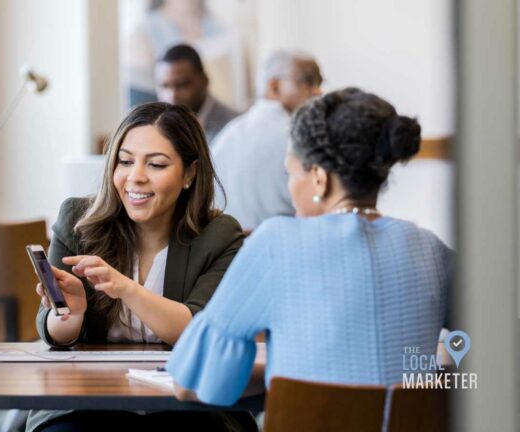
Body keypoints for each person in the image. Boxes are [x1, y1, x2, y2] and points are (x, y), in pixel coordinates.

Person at [166, 88, 453, 407]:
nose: (290, 187)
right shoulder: (431, 249)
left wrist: (279, 373)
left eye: (290, 172)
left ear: (319, 178)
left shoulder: (276, 242)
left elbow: (192, 384)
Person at [26, 102, 255, 432]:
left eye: (157, 164)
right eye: (125, 161)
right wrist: (70, 313)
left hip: (185, 405)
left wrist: (126, 289)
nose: (135, 178)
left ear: (190, 173)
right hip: (89, 403)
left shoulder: (219, 236)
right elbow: (53, 333)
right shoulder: (78, 221)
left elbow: (198, 332)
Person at [212, 50, 323, 231]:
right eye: (308, 81)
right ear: (274, 87)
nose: (319, 91)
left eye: (320, 82)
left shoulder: (226, 137)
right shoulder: (300, 137)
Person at [155, 44, 239, 143]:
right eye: (164, 86)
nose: (172, 96)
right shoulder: (157, 128)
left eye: (182, 85)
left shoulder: (234, 127)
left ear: (204, 81)